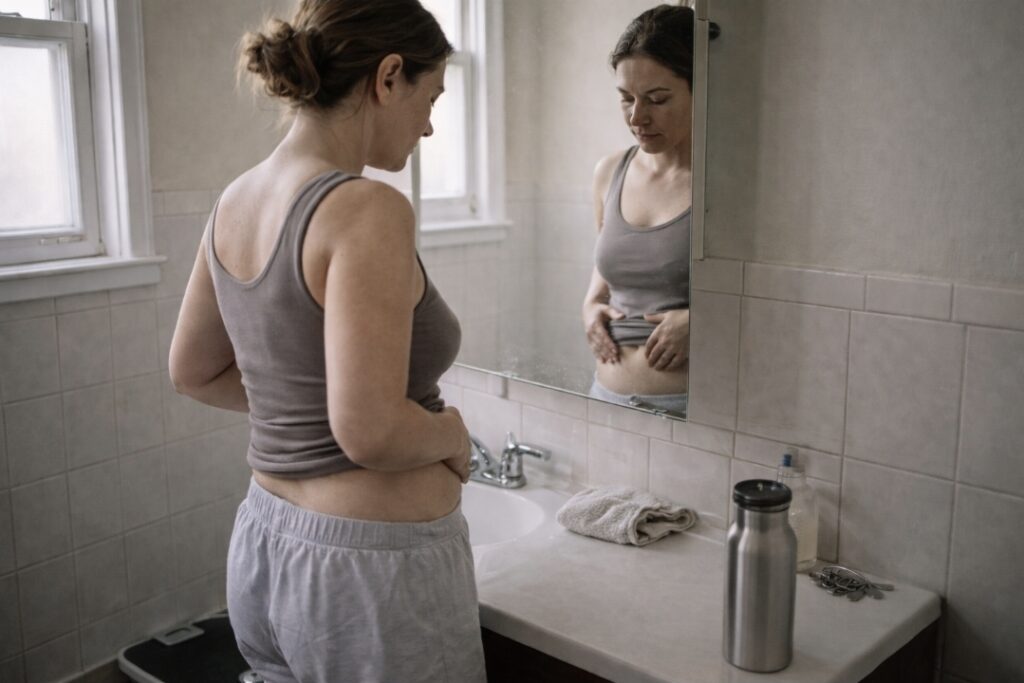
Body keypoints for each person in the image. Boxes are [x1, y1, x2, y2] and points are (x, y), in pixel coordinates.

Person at [167, 1, 485, 681]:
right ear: (389, 76)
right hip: (369, 575)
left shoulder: (236, 199)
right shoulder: (367, 208)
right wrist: (454, 434)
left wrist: (299, 407)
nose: (429, 125)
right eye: (429, 98)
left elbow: (192, 371)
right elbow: (370, 431)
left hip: (264, 542)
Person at [582, 4, 695, 417]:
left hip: (688, 412)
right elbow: (605, 272)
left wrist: (703, 324)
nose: (637, 116)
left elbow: (769, 304)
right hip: (606, 399)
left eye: (657, 99)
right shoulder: (610, 171)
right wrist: (589, 306)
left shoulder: (730, 186)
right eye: (626, 99)